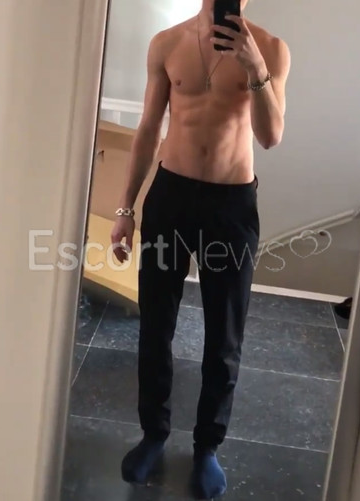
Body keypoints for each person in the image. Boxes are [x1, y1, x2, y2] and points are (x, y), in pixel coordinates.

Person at [111, 0, 290, 498]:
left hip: (232, 203)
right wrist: (126, 208)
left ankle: (208, 446)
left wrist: (255, 70)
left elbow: (271, 137)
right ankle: (153, 433)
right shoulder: (167, 44)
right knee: (156, 324)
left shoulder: (271, 49)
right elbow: (149, 128)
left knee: (224, 334)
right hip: (171, 195)